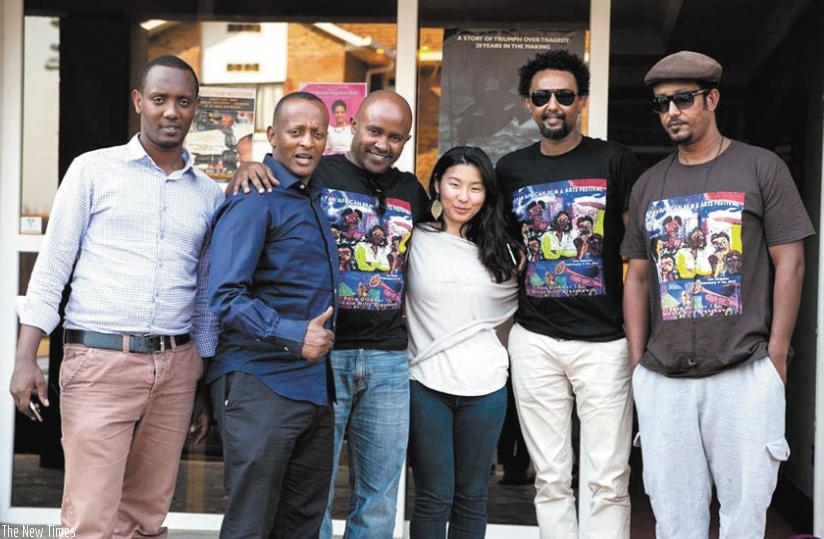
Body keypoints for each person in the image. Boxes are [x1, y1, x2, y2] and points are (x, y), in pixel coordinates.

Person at [9, 55, 223, 538]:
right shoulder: (93, 171)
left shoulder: (209, 195)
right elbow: (52, 268)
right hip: (99, 362)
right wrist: (26, 359)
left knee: (147, 516)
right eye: (160, 99)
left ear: (196, 110)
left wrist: (202, 382)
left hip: (176, 367)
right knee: (90, 518)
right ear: (138, 102)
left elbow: (206, 297)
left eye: (183, 102)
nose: (171, 111)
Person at [622, 50, 814, 538]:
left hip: (745, 370)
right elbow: (638, 277)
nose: (671, 114)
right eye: (662, 104)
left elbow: (789, 262)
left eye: (683, 100)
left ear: (712, 99)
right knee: (674, 518)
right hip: (664, 378)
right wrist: (637, 363)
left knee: (744, 515)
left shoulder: (761, 168)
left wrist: (777, 357)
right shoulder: (649, 185)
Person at [231, 90, 430, 539]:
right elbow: (274, 174)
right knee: (311, 492)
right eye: (375, 131)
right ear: (354, 125)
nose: (383, 144)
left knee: (379, 494)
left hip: (388, 359)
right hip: (324, 355)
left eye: (396, 137)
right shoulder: (318, 171)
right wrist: (249, 166)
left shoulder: (410, 192)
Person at [495, 49, 641, 538]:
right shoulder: (510, 169)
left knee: (608, 478)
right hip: (535, 339)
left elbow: (638, 254)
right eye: (542, 96)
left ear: (581, 100)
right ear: (527, 104)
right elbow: (496, 246)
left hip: (604, 341)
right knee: (551, 478)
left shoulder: (615, 160)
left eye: (564, 95)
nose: (552, 104)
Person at [206, 91, 338, 538]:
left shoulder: (312, 198)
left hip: (312, 390)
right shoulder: (255, 198)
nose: (306, 142)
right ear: (272, 137)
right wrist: (291, 333)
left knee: (300, 524)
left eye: (316, 133)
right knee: (251, 524)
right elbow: (224, 295)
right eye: (296, 131)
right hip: (260, 384)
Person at [405, 146, 518, 538]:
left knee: (472, 496)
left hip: (486, 385)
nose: (463, 196)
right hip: (425, 382)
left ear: (487, 194)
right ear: (437, 185)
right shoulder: (414, 239)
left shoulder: (503, 250)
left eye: (475, 188)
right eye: (454, 184)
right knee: (434, 496)